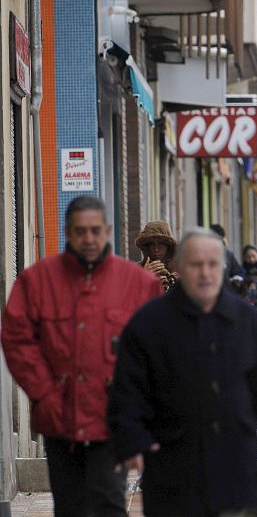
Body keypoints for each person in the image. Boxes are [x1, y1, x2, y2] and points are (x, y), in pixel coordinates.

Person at [107, 228, 257, 517]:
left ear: (223, 268)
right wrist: (132, 439)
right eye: (195, 265)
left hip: (235, 475)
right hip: (172, 478)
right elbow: (127, 393)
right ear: (179, 267)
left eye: (212, 264)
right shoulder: (148, 325)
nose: (205, 273)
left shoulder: (247, 321)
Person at [1, 195, 162, 517]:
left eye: (95, 230)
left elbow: (155, 351)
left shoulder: (140, 285)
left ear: (108, 230)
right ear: (67, 232)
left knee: (108, 503)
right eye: (80, 231)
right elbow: (17, 339)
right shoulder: (37, 281)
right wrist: (44, 393)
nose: (88, 239)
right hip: (59, 418)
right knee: (70, 506)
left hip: (112, 419)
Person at [136, 220, 178, 291]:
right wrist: (144, 277)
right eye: (152, 244)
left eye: (161, 243)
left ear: (168, 246)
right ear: (146, 246)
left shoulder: (181, 269)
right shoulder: (136, 270)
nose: (156, 249)